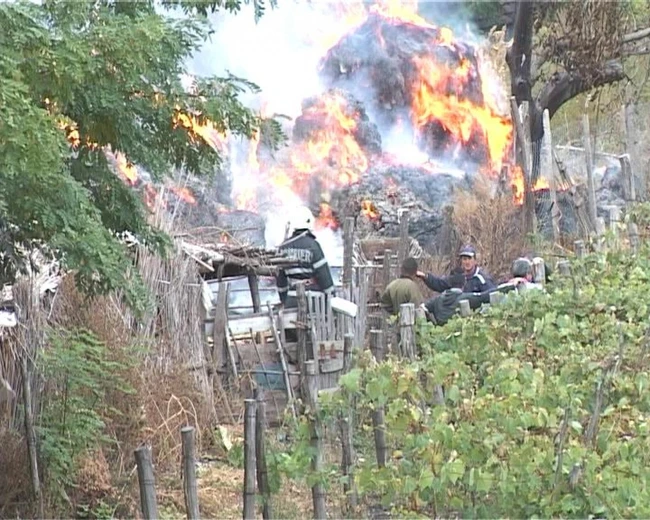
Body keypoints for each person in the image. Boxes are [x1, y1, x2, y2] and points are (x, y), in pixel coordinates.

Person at [275, 206, 334, 308]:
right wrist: (332, 296)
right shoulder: (313, 246)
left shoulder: (283, 247)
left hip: (292, 300)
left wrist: (284, 300)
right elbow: (324, 276)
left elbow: (281, 282)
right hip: (314, 301)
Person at [417, 244, 496, 294]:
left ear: (475, 260)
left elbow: (492, 295)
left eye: (469, 258)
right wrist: (425, 277)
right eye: (464, 259)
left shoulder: (482, 279)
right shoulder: (457, 277)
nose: (467, 262)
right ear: (461, 261)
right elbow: (440, 284)